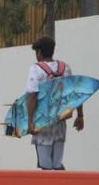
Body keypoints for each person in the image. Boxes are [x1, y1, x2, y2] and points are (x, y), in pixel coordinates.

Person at [27, 36, 84, 170]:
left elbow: (32, 96)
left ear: (40, 52)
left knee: (46, 166)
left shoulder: (36, 69)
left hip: (43, 123)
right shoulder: (65, 68)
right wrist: (80, 115)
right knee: (57, 164)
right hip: (60, 123)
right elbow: (75, 94)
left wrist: (30, 121)